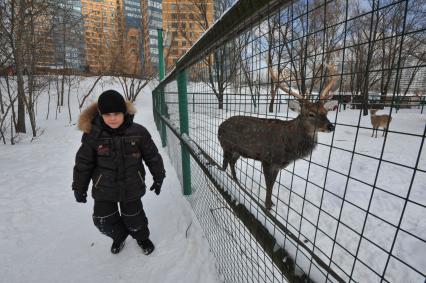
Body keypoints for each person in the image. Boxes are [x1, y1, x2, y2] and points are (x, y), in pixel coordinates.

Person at [72, 89, 166, 255]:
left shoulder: (139, 132)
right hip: (104, 188)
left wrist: (158, 176)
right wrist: (79, 188)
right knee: (103, 220)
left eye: (117, 113)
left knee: (134, 217)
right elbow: (83, 163)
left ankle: (142, 237)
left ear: (124, 112)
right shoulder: (92, 135)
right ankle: (119, 236)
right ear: (101, 114)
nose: (113, 118)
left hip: (132, 185)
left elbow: (152, 156)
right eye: (107, 114)